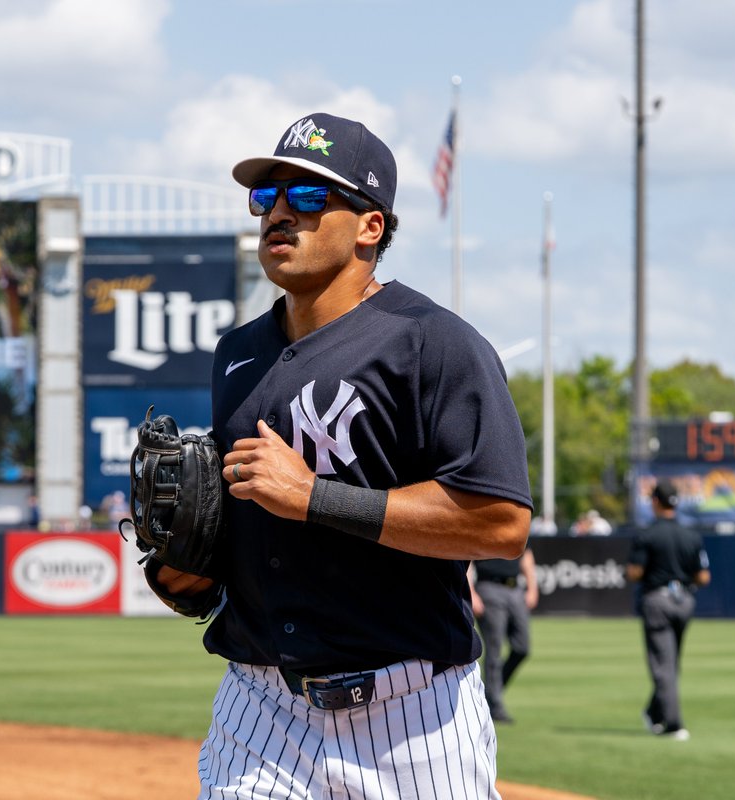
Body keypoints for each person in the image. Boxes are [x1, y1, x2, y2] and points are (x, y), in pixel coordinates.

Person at [151, 113, 532, 799]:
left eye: (306, 198)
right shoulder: (236, 354)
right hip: (260, 707)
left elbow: (498, 523)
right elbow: (245, 527)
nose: (278, 215)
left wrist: (313, 497)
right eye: (267, 198)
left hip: (411, 716)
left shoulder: (431, 343)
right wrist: (189, 572)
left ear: (370, 226)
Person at [626, 478, 711, 741]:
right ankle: (655, 712)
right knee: (671, 662)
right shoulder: (691, 535)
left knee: (664, 665)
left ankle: (673, 723)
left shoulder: (648, 534)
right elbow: (703, 577)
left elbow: (634, 572)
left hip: (658, 600)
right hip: (684, 600)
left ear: (654, 501)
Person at [469, 548, 539, 723]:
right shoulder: (480, 524)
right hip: (488, 587)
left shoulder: (510, 521)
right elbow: (467, 556)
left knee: (522, 648)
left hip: (515, 588)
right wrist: (470, 591)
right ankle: (495, 706)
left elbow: (526, 553)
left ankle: (491, 692)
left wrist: (532, 587)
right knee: (494, 650)